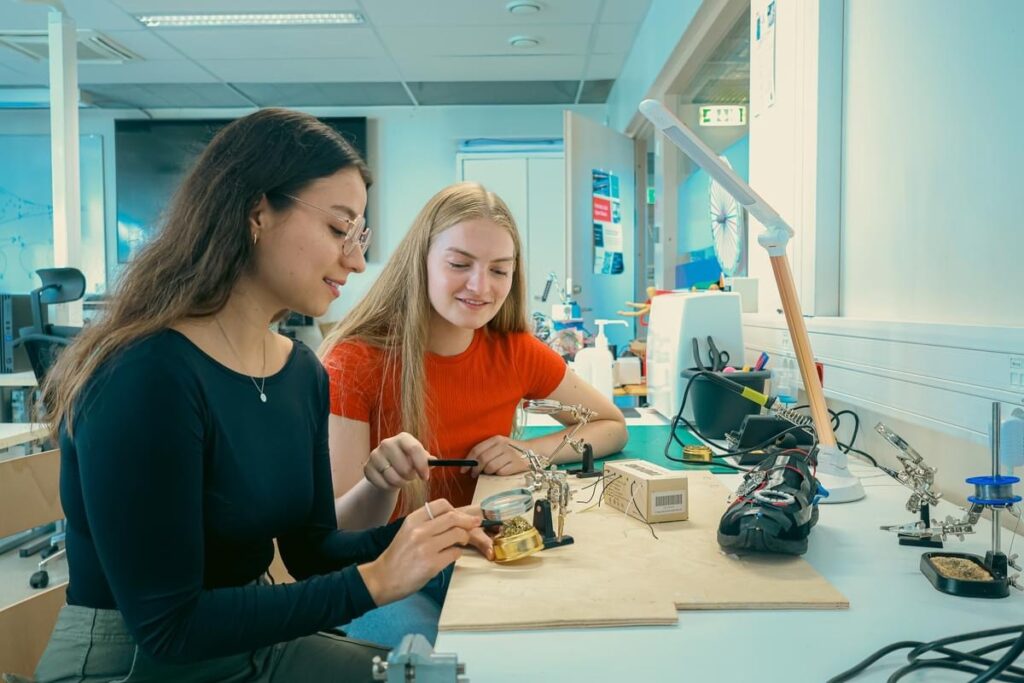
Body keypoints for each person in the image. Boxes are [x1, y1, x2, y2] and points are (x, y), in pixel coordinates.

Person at [34, 109, 487, 683]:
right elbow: (170, 626)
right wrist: (375, 581)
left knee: (454, 677)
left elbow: (312, 549)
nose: (356, 258)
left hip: (253, 642)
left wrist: (427, 530)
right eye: (338, 229)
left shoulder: (299, 371)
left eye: (359, 235)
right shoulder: (143, 373)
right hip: (135, 665)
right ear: (256, 212)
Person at [320, 182, 628, 645]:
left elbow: (610, 426)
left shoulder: (517, 352)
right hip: (389, 570)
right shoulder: (354, 362)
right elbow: (339, 534)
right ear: (420, 261)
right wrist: (378, 483)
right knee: (432, 661)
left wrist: (529, 452)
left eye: (499, 270)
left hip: (483, 555)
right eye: (459, 264)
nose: (480, 287)